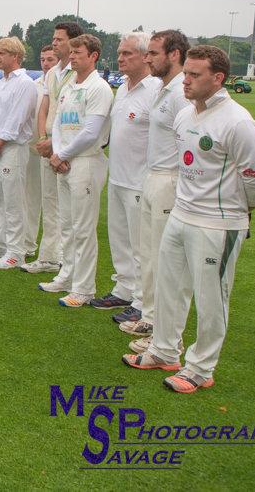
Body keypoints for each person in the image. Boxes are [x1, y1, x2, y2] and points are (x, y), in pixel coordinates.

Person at [123, 45, 255, 394]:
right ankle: (163, 351)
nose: (185, 81)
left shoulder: (238, 122)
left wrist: (237, 211)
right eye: (185, 73)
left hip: (217, 223)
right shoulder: (185, 115)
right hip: (181, 213)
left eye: (194, 75)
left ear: (218, 78)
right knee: (169, 286)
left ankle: (201, 368)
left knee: (210, 298)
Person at [120, 30, 192, 346]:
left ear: (174, 54)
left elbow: (187, 144)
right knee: (149, 255)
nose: (147, 58)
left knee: (166, 260)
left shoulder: (179, 93)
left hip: (169, 180)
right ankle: (149, 319)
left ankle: (164, 335)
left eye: (153, 53)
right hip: (152, 177)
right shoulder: (163, 89)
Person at [44, 35, 114, 306]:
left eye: (78, 53)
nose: (71, 57)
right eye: (70, 52)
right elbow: (60, 122)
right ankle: (67, 275)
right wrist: (57, 154)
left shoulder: (100, 88)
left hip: (85, 161)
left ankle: (84, 288)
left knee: (83, 228)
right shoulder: (70, 85)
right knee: (67, 224)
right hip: (63, 160)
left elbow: (91, 131)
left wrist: (63, 154)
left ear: (94, 56)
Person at [92, 33, 159, 310]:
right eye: (120, 53)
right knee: (119, 238)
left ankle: (143, 301)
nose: (121, 58)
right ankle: (123, 288)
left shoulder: (155, 89)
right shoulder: (122, 89)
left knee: (142, 245)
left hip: (140, 179)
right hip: (117, 175)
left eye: (128, 53)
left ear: (146, 56)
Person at [0, 37, 39, 267]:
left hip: (11, 147)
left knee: (14, 201)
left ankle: (16, 251)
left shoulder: (24, 83)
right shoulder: (0, 83)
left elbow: (17, 119)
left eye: (3, 52)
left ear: (15, 56)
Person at [28, 22, 81, 274]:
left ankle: (65, 261)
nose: (55, 42)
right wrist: (42, 137)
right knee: (48, 202)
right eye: (55, 39)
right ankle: (48, 257)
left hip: (67, 146)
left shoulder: (78, 72)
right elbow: (44, 108)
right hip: (47, 143)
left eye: (59, 39)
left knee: (68, 209)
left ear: (73, 42)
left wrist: (56, 144)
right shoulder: (52, 73)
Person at [20, 45, 59, 270]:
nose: (46, 63)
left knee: (54, 204)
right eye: (43, 59)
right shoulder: (35, 85)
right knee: (31, 197)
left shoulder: (62, 82)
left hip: (54, 148)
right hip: (33, 148)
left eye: (50, 59)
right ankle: (28, 242)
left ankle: (56, 252)